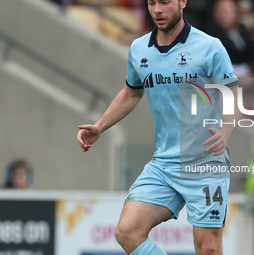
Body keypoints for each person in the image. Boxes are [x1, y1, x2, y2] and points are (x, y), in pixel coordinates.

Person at [77, 0, 241, 254]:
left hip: (206, 164)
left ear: (183, 1)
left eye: (165, 2)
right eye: (152, 3)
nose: (157, 10)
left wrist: (226, 131)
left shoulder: (210, 47)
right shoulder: (139, 48)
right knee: (127, 232)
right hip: (164, 165)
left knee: (208, 247)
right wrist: (100, 125)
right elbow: (131, 93)